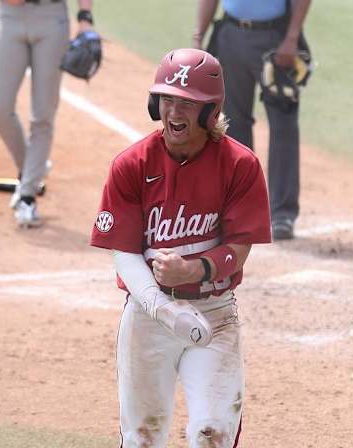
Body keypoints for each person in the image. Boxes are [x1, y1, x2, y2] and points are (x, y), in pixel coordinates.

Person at [90, 48, 271, 448]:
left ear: (210, 112)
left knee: (213, 434)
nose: (175, 111)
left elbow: (238, 249)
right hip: (148, 316)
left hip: (215, 315)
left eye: (188, 103)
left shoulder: (239, 166)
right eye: (167, 99)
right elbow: (123, 250)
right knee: (142, 437)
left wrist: (193, 271)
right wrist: (161, 305)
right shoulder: (132, 165)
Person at [194, 0, 312, 240]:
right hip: (230, 35)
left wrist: (292, 36)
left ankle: (282, 214)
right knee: (233, 124)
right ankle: (240, 207)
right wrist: (198, 37)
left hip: (275, 39)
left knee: (283, 124)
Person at [0, 0, 96, 228]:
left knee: (43, 114)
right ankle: (33, 168)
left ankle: (27, 195)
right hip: (10, 16)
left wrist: (85, 17)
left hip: (51, 18)